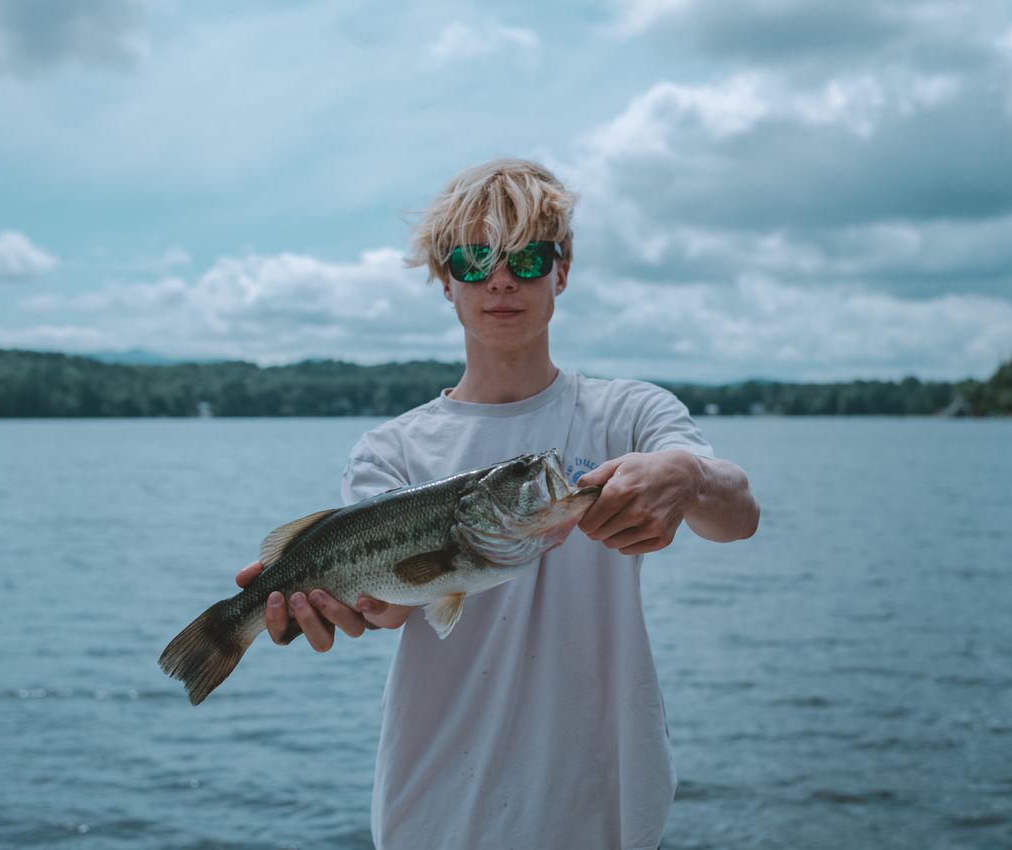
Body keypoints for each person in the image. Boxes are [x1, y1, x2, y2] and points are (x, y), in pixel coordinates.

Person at [234, 158, 759, 850]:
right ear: (445, 279)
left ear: (561, 272)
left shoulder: (631, 414)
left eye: (527, 259)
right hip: (437, 811)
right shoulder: (389, 452)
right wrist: (336, 605)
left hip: (604, 803)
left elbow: (738, 516)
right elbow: (389, 607)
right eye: (475, 260)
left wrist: (687, 477)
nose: (502, 280)